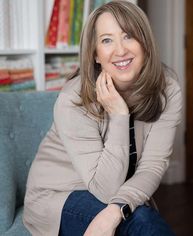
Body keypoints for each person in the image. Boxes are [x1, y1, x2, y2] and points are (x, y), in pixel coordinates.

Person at [23, 1, 182, 235]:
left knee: (139, 220)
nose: (120, 50)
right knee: (140, 222)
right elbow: (105, 189)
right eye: (107, 40)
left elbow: (152, 166)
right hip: (58, 196)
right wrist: (119, 116)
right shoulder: (73, 99)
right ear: (96, 54)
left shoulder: (167, 88)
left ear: (145, 42)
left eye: (128, 36)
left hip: (118, 194)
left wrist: (116, 210)